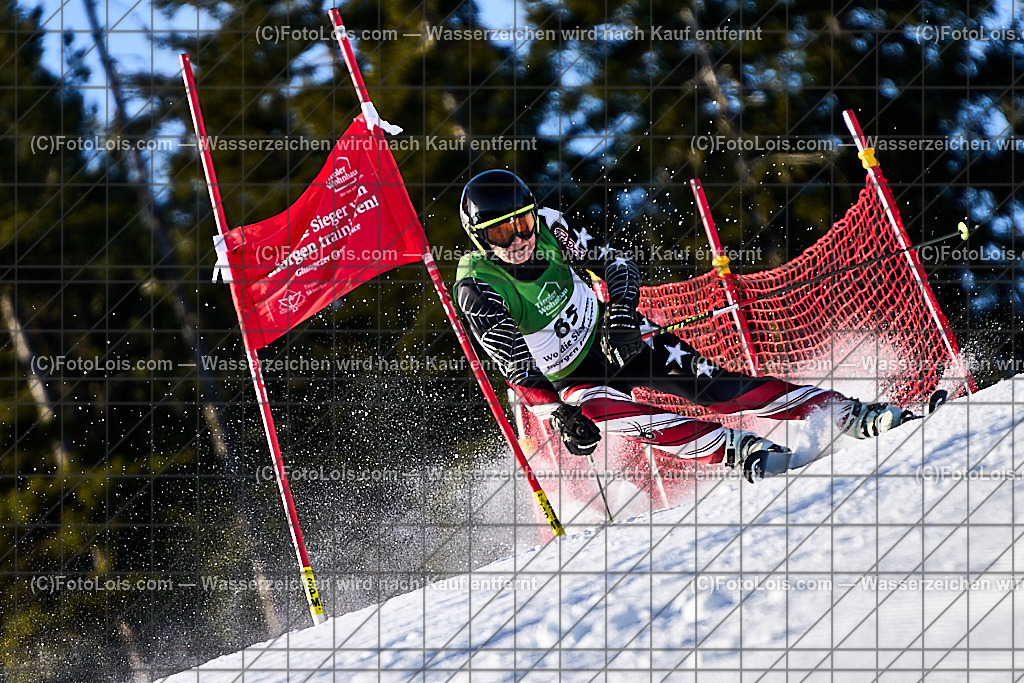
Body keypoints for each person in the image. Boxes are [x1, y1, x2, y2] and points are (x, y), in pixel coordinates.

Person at [453, 170, 909, 483]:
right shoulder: (478, 285)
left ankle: (850, 413)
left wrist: (623, 315)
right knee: (610, 413)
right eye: (501, 233)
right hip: (571, 377)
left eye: (523, 223)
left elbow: (617, 264)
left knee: (719, 389)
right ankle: (735, 450)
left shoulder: (551, 226)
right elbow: (517, 369)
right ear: (480, 238)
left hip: (614, 338)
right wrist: (562, 418)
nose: (519, 239)